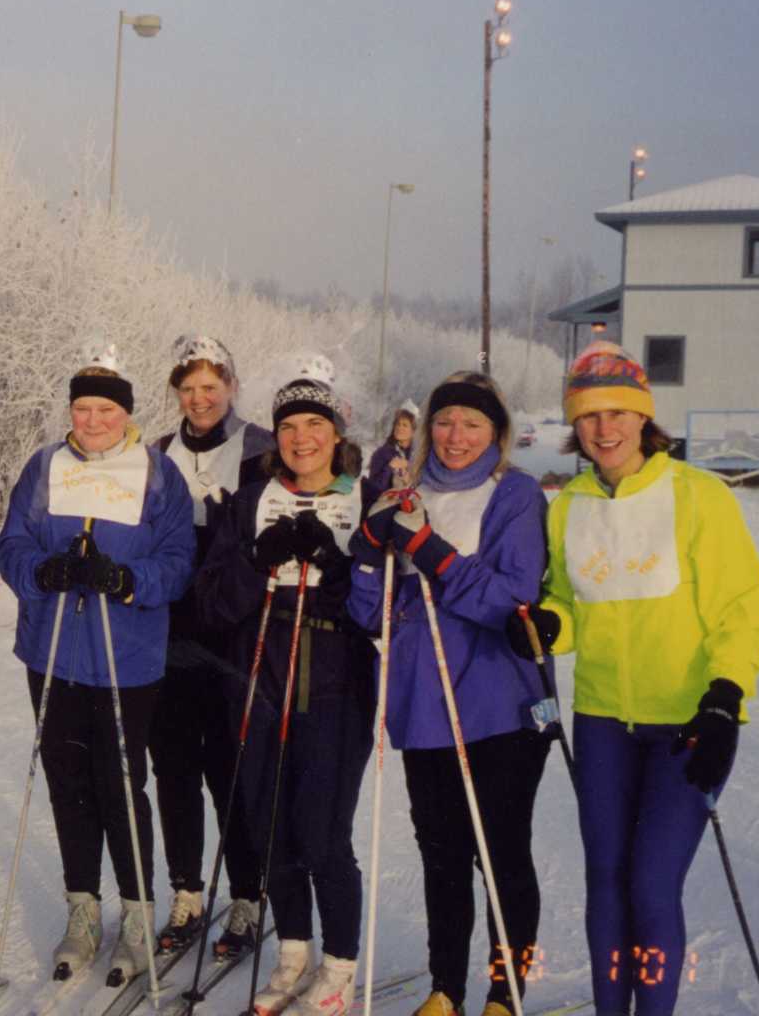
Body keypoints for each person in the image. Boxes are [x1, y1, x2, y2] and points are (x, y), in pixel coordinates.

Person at [507, 343, 759, 1016]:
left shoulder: (697, 496)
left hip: (690, 721)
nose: (604, 428)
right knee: (604, 882)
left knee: (652, 887)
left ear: (644, 417)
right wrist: (544, 624)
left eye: (619, 412)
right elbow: (567, 601)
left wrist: (724, 697)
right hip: (603, 723)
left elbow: (742, 610)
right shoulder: (566, 505)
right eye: (590, 415)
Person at [348, 372, 551, 1016]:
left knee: (501, 856)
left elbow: (512, 601)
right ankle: (446, 988)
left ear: (497, 432)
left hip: (500, 703)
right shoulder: (403, 492)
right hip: (424, 704)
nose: (455, 436)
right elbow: (369, 612)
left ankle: (506, 990)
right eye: (444, 421)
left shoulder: (515, 495)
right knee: (441, 856)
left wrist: (428, 548)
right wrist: (364, 550)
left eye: (472, 424)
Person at [0, 346, 196, 984]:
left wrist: (126, 578)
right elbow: (11, 542)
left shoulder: (158, 474)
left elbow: (179, 559)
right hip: (52, 649)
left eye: (105, 409)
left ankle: (137, 913)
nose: (92, 420)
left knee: (120, 786)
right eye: (82, 407)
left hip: (126, 657)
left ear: (126, 413)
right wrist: (41, 570)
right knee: (66, 782)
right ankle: (83, 909)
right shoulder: (46, 466)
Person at [196, 356, 378, 1015]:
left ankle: (338, 967)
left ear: (335, 432)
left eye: (314, 424)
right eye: (289, 427)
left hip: (335, 683)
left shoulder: (363, 498)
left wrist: (335, 564)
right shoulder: (250, 502)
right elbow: (214, 603)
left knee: (323, 834)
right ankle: (293, 953)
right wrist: (257, 557)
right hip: (260, 676)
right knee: (269, 828)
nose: (301, 438)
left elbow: (381, 605)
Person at [148, 335, 274, 958]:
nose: (200, 399)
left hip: (233, 631)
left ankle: (248, 894)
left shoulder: (258, 449)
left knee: (230, 763)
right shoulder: (157, 455)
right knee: (173, 765)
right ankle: (187, 892)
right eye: (189, 388)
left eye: (211, 386)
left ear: (229, 387)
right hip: (170, 632)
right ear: (176, 391)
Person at [363, 404, 417, 510]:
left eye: (405, 425)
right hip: (386, 508)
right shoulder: (382, 454)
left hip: (412, 507)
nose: (399, 427)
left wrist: (409, 469)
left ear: (413, 431)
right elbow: (375, 489)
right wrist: (390, 467)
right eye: (397, 424)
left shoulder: (417, 454)